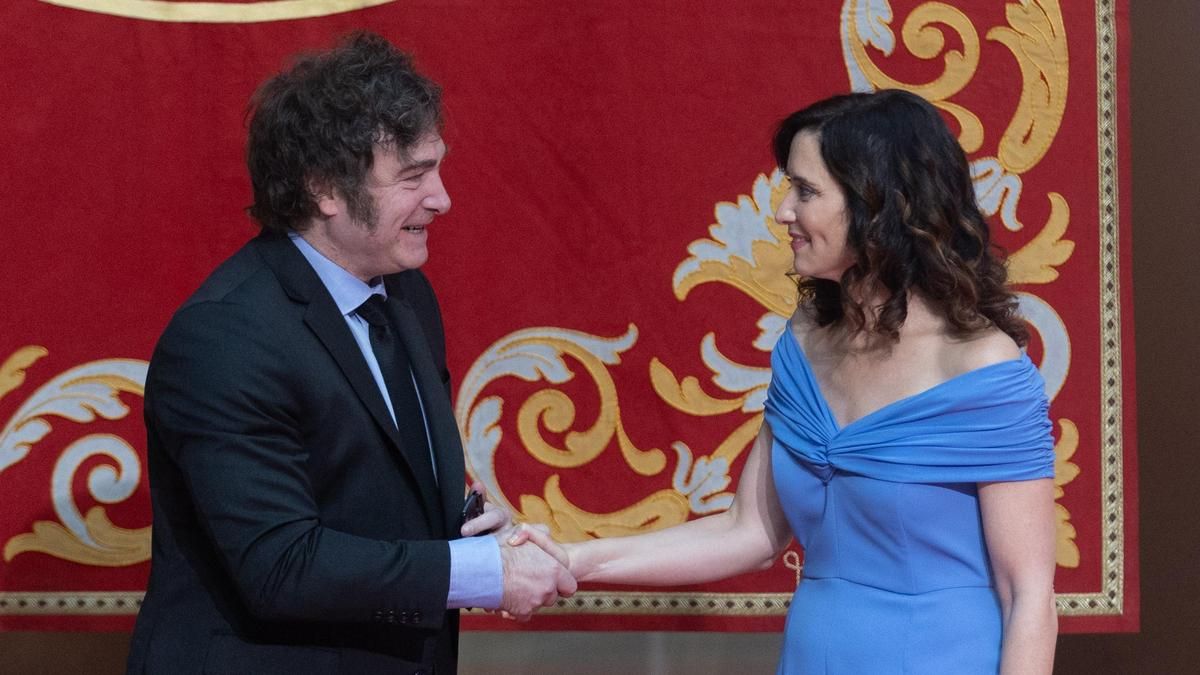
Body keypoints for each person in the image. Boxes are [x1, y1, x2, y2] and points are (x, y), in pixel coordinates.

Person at [514, 89, 1058, 673]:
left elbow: (1028, 597)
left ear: (878, 204)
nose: (782, 212)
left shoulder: (982, 368)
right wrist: (571, 559)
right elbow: (748, 531)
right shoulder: (804, 341)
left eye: (805, 191)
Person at [127, 33, 574, 675]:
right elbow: (281, 566)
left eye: (437, 169)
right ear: (324, 188)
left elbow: (371, 486)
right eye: (413, 177)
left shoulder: (408, 296)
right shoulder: (225, 337)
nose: (442, 198)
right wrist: (484, 572)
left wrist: (478, 533)